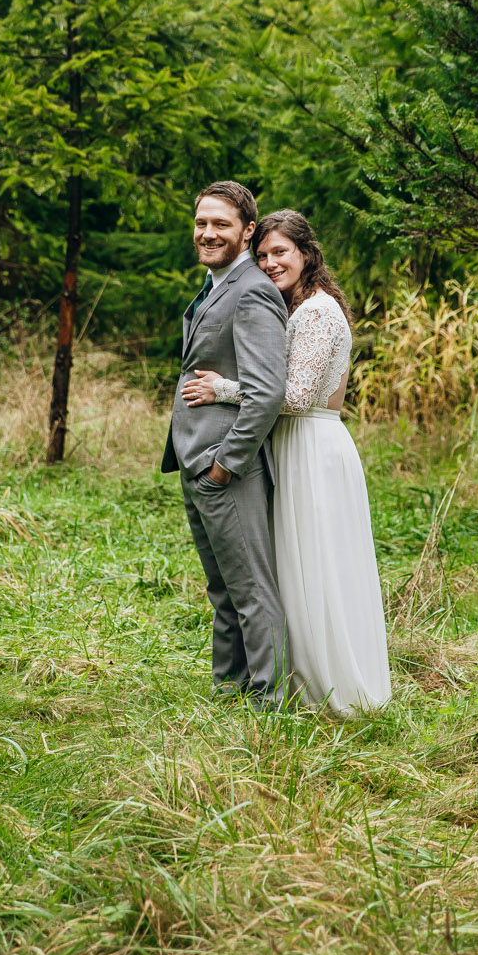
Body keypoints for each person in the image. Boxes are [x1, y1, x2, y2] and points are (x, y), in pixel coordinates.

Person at [182, 210, 391, 715]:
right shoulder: (293, 305)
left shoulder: (318, 310)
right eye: (264, 256)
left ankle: (333, 687)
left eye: (282, 253)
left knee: (318, 566)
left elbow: (292, 395)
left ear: (306, 254)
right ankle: (296, 680)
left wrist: (221, 388)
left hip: (313, 447)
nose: (272, 264)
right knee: (294, 568)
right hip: (291, 445)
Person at [160, 182, 291, 705]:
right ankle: (228, 691)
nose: (208, 233)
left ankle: (269, 702)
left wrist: (225, 467)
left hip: (225, 468)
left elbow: (266, 393)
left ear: (248, 231)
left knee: (252, 591)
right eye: (201, 223)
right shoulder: (215, 285)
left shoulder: (253, 290)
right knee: (223, 591)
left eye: (221, 224)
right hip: (197, 462)